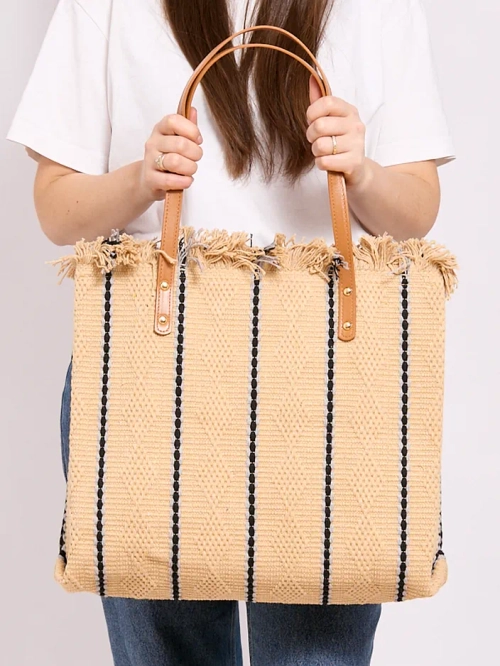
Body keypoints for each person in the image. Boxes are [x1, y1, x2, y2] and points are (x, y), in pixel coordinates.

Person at [7, 1, 455, 664]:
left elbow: (417, 211)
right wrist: (141, 180)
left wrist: (361, 171)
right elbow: (56, 209)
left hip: (324, 383)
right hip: (151, 381)